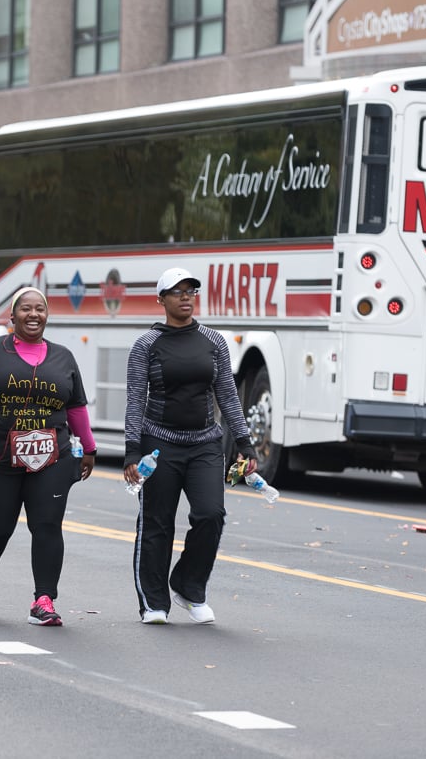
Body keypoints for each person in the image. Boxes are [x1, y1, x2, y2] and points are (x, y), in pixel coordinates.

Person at [0, 286, 97, 626]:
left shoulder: (63, 357)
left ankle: (44, 599)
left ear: (47, 316)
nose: (34, 314)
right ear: (12, 316)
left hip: (51, 456)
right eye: (26, 309)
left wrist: (88, 447)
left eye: (40, 309)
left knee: (47, 525)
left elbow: (75, 405)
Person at [124, 267, 257, 626]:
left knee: (211, 515)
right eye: (177, 291)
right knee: (157, 524)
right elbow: (136, 399)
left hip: (205, 444)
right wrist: (132, 450)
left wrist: (244, 441)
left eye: (191, 291)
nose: (185, 297)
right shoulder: (146, 346)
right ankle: (154, 603)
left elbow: (227, 394)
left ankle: (189, 587)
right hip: (158, 445)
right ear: (161, 299)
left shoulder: (214, 341)